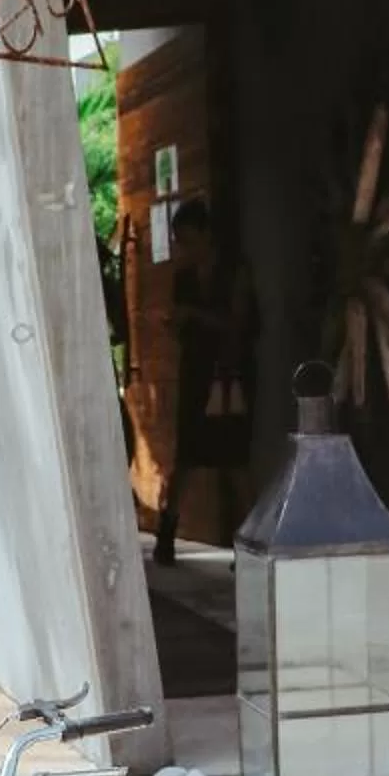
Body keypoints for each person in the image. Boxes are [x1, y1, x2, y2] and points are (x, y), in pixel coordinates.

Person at [153, 197, 255, 566]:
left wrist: (193, 315)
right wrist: (179, 323)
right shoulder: (184, 278)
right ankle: (166, 534)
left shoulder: (234, 272)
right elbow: (184, 331)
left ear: (206, 235)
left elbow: (238, 324)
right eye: (180, 241)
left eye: (189, 239)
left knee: (235, 461)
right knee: (187, 458)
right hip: (196, 373)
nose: (184, 248)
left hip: (230, 375)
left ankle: (249, 545)